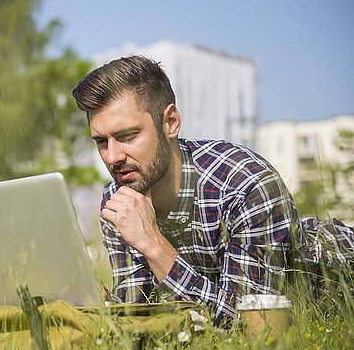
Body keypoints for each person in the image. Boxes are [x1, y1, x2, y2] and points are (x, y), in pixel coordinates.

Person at [71, 55, 354, 326]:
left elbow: (258, 328)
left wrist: (154, 246)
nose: (112, 157)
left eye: (127, 136)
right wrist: (106, 308)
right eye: (101, 141)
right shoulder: (119, 199)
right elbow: (140, 317)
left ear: (170, 122)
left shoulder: (246, 184)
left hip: (339, 286)